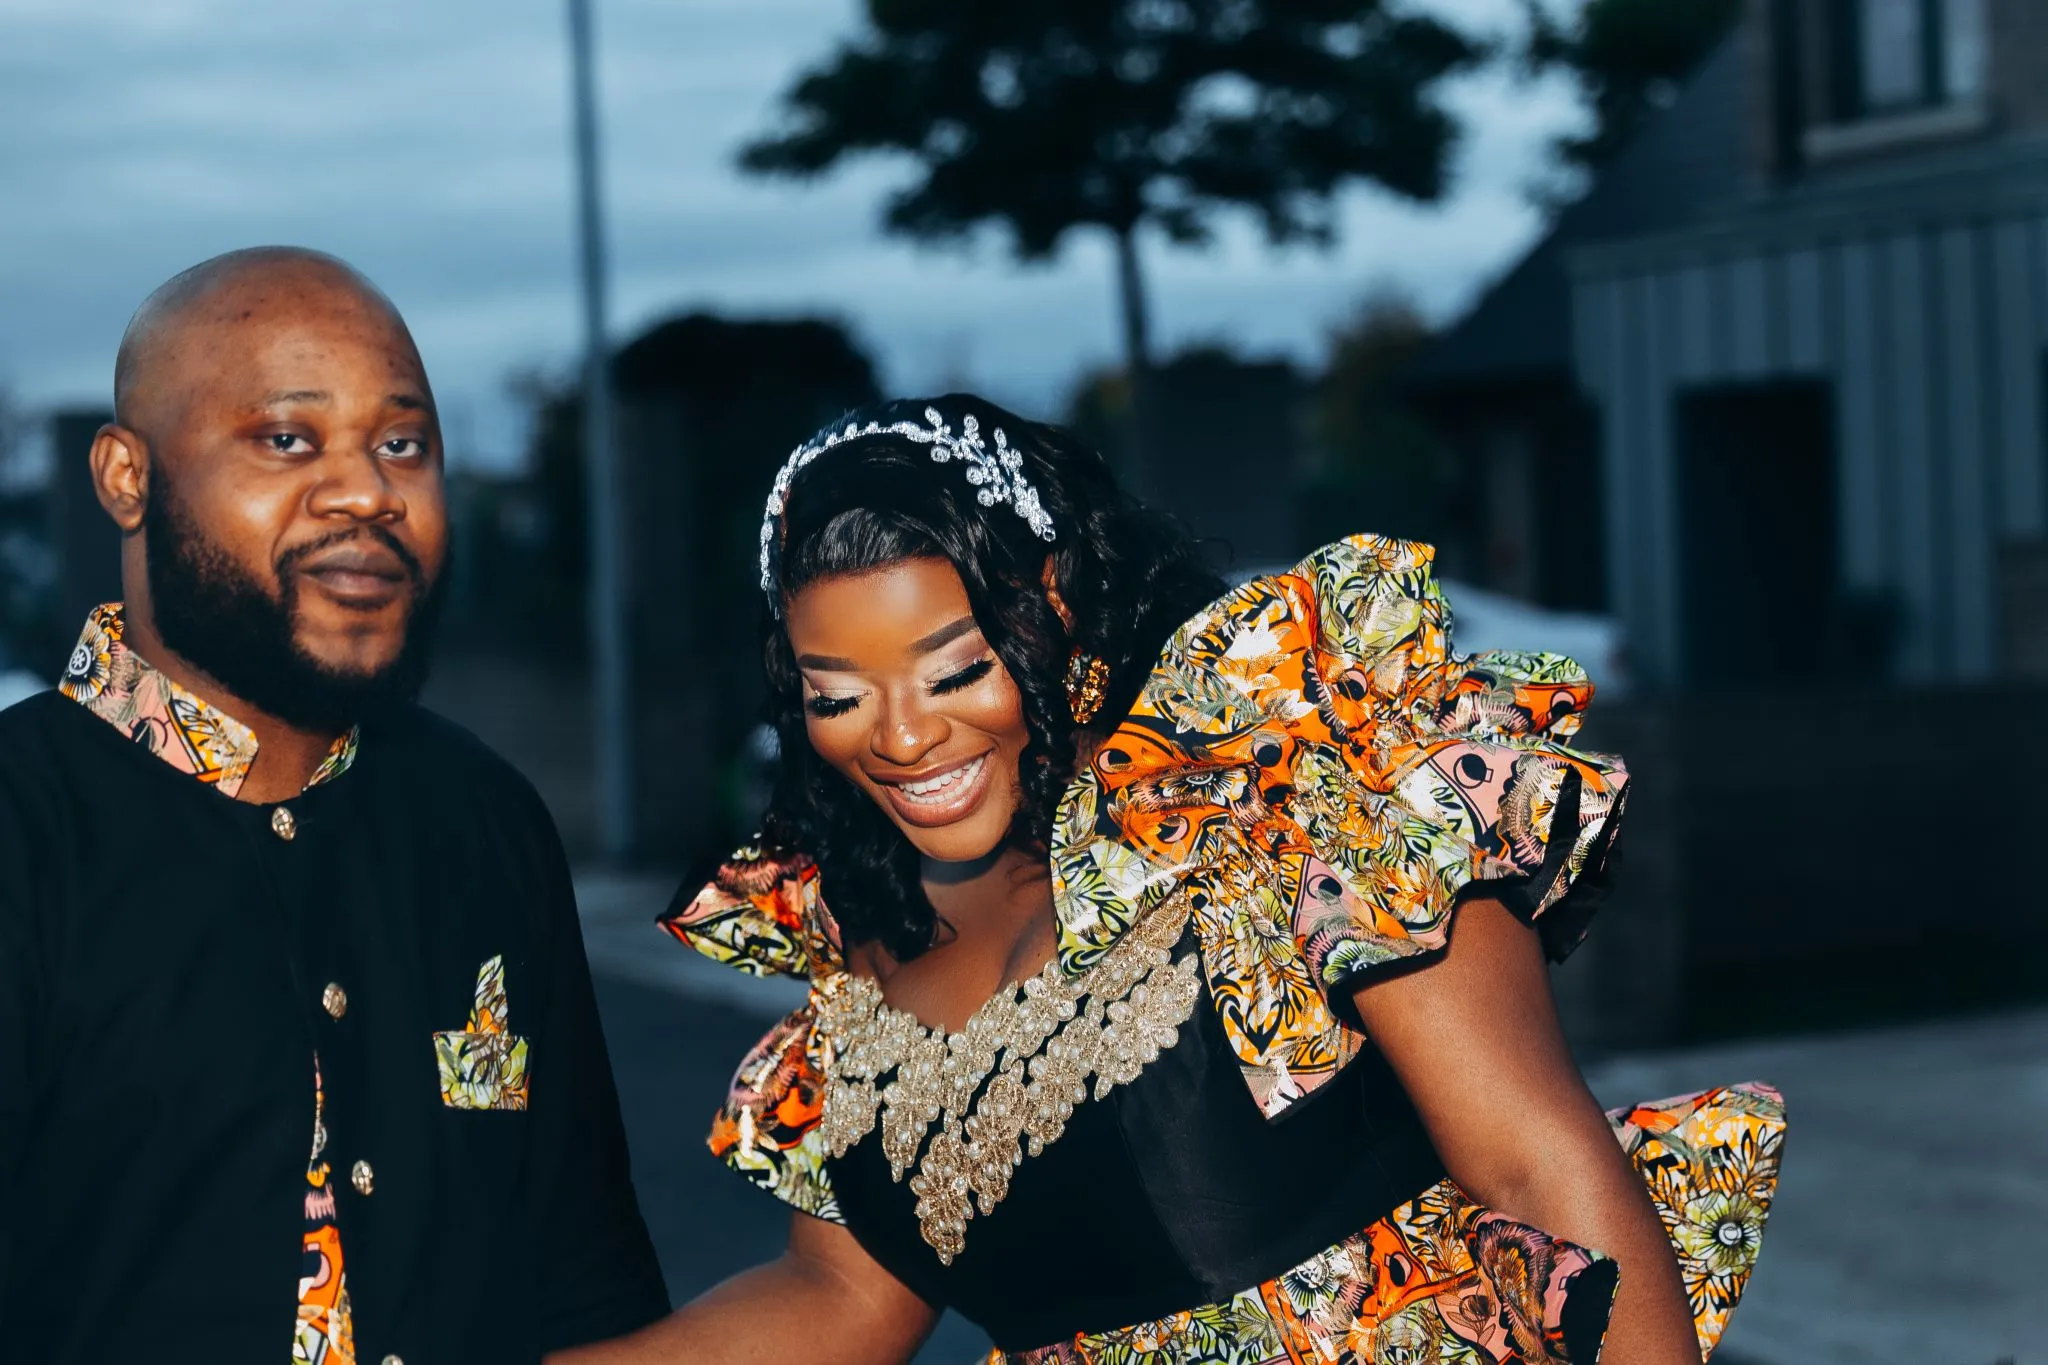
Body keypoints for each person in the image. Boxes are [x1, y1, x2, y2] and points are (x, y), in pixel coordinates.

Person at [568, 396, 1784, 1365]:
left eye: (952, 671)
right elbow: (833, 1295)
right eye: (837, 695)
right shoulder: (866, 955)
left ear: (1049, 609)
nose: (898, 737)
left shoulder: (1298, 808)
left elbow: (1537, 1168)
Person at [0, 248, 669, 1362]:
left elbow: (588, 1289)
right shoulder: (22, 837)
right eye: (287, 439)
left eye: (402, 444)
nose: (367, 492)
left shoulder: (485, 820)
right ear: (126, 477)